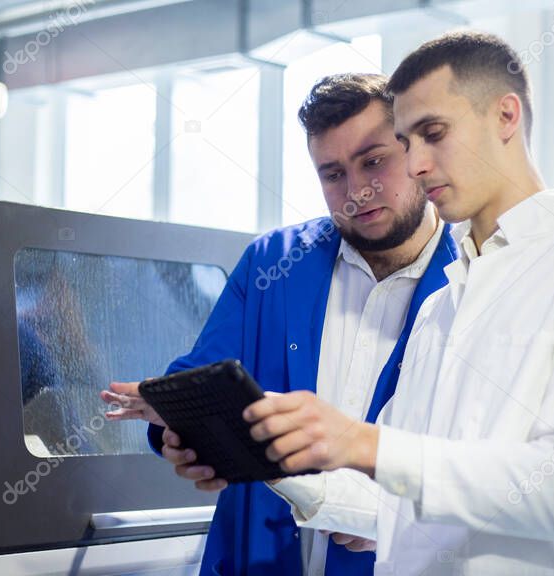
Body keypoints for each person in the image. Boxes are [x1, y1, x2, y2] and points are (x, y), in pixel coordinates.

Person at [242, 31, 554, 575]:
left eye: (433, 133)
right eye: (406, 141)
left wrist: (365, 443)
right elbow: (397, 502)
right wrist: (260, 458)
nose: (416, 163)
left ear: (505, 116)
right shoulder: (439, 308)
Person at [100, 73, 458, 575]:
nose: (357, 191)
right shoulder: (274, 263)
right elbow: (202, 378)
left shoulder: (472, 280)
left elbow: (479, 466)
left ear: (414, 150)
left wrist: (400, 516)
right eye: (333, 174)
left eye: (374, 161)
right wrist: (181, 431)